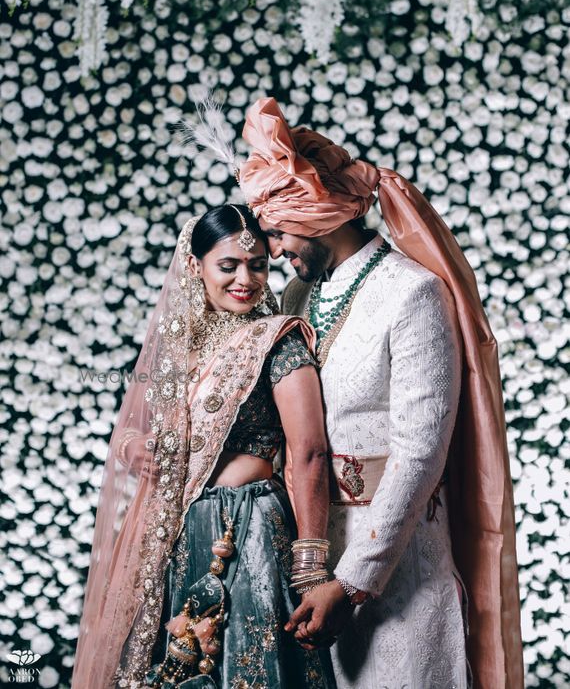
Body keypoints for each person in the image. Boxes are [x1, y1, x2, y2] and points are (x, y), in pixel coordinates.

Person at [236, 97, 524, 689]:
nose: (275, 249)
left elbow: (420, 452)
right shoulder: (299, 299)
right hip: (303, 560)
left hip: (395, 568)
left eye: (280, 230)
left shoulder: (411, 294)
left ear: (322, 215)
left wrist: (353, 581)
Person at [71, 204, 336, 689]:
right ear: (196, 267)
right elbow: (134, 428)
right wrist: (134, 449)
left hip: (249, 528)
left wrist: (309, 567)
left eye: (258, 265)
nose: (246, 279)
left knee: (247, 666)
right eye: (229, 265)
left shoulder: (277, 341)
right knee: (180, 664)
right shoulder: (183, 347)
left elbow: (311, 452)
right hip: (184, 527)